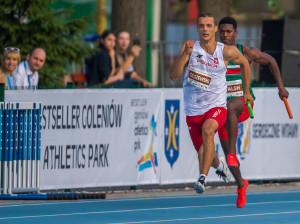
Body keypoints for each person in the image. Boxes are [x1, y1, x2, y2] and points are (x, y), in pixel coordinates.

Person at [169, 12, 253, 194]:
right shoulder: (190, 47)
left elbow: (245, 64)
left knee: (209, 130)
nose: (205, 29)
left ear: (215, 29)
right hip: (193, 110)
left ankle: (202, 179)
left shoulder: (226, 51)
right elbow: (174, 75)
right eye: (201, 26)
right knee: (207, 152)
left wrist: (246, 91)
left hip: (216, 107)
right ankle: (219, 165)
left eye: (209, 26)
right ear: (197, 28)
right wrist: (185, 55)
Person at [218, 16, 289, 208]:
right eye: (222, 31)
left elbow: (271, 60)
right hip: (221, 111)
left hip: (242, 104)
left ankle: (232, 153)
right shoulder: (213, 53)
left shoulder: (245, 52)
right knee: (230, 162)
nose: (225, 35)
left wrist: (280, 87)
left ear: (235, 34)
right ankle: (241, 184)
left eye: (229, 32)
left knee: (232, 106)